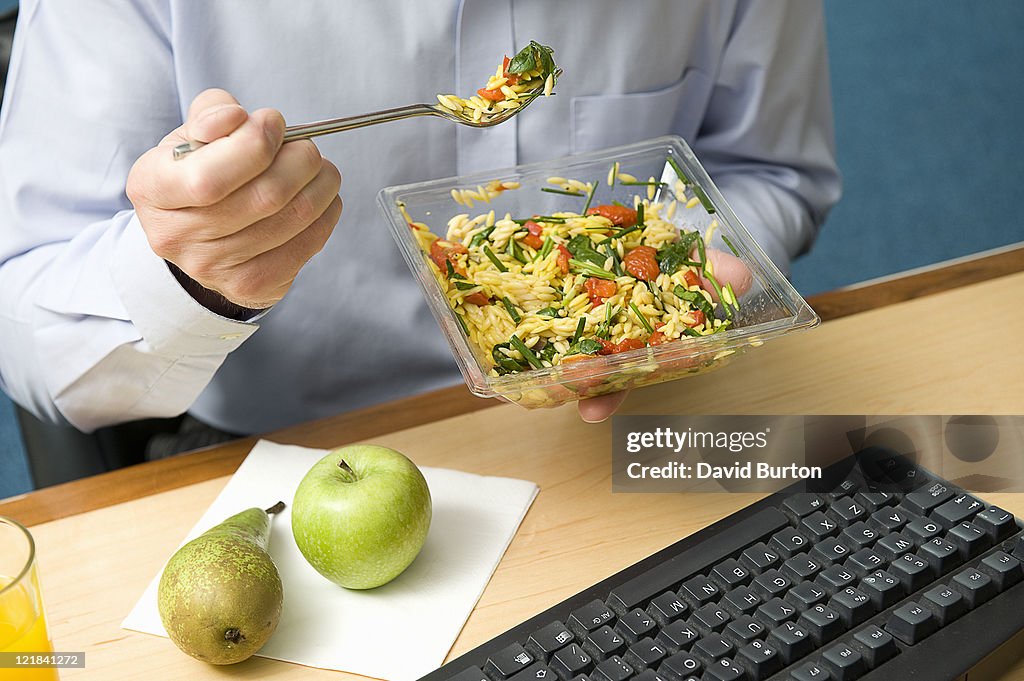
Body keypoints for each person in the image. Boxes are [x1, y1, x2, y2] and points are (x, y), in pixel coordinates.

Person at [0, 1, 840, 445]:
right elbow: (25, 329)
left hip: (635, 427)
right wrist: (188, 275)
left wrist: (678, 290)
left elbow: (771, 169)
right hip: (292, 454)